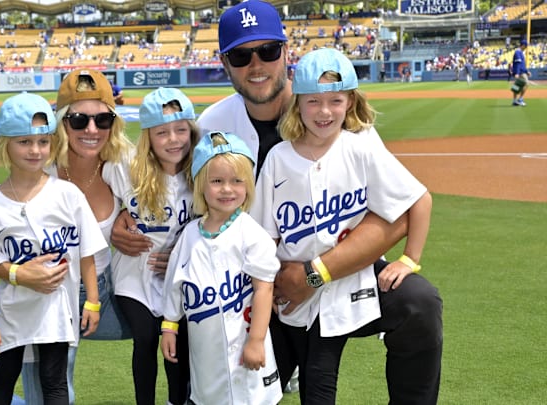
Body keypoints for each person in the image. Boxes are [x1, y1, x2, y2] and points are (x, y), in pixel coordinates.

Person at [191, 1, 443, 403]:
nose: (256, 65)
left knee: (418, 303)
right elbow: (184, 204)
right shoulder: (210, 126)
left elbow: (397, 213)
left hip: (340, 267)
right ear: (225, 63)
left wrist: (315, 273)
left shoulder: (335, 117)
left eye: (268, 51)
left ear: (286, 53)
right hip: (255, 285)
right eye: (241, 55)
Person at [251, 48, 434, 405]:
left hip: (350, 281)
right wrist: (267, 286)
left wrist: (409, 260)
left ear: (350, 101)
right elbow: (265, 235)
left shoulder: (360, 145)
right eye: (313, 101)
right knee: (309, 388)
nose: (324, 112)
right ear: (297, 103)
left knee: (421, 302)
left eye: (335, 101)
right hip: (295, 293)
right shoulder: (279, 157)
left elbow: (419, 200)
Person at [0, 70, 134, 405]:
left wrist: (132, 219)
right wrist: (17, 273)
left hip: (104, 287)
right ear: (61, 124)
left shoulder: (122, 165)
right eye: (79, 119)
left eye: (103, 119)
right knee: (48, 390)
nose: (91, 129)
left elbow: (164, 206)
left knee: (159, 323)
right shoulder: (36, 176)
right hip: (36, 294)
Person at [161, 131, 282, 404]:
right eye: (217, 181)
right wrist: (169, 326)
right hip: (206, 350)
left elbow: (264, 289)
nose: (227, 189)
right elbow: (174, 286)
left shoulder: (252, 233)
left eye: (237, 181)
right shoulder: (190, 235)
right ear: (200, 185)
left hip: (247, 345)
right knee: (209, 394)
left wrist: (256, 340)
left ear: (248, 185)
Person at [103, 87, 198, 405]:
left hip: (180, 275)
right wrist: (116, 214)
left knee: (179, 342)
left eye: (181, 129)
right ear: (148, 136)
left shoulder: (201, 171)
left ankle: (177, 400)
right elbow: (87, 182)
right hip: (134, 274)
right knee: (144, 338)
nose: (174, 139)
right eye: (162, 132)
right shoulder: (127, 166)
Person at [511, 39, 530, 106]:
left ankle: (514, 101)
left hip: (521, 71)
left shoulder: (520, 52)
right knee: (526, 83)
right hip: (520, 72)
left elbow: (522, 64)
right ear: (523, 45)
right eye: (526, 46)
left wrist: (527, 71)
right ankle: (520, 99)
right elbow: (518, 64)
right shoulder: (518, 52)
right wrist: (517, 73)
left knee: (517, 86)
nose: (526, 47)